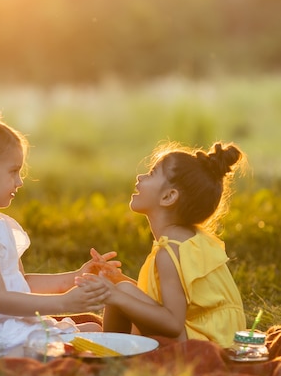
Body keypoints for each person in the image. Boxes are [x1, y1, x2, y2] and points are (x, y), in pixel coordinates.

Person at [0, 112, 118, 357]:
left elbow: (21, 282)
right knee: (61, 349)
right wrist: (65, 304)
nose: (19, 182)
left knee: (93, 327)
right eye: (13, 172)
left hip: (6, 319)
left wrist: (74, 277)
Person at [77, 141, 246, 348]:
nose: (140, 177)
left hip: (206, 345)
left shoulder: (170, 250)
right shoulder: (186, 239)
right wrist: (117, 280)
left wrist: (115, 295)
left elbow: (173, 324)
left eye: (151, 173)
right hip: (218, 338)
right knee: (123, 288)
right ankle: (110, 345)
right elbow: (168, 300)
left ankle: (110, 349)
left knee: (123, 292)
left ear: (168, 196)